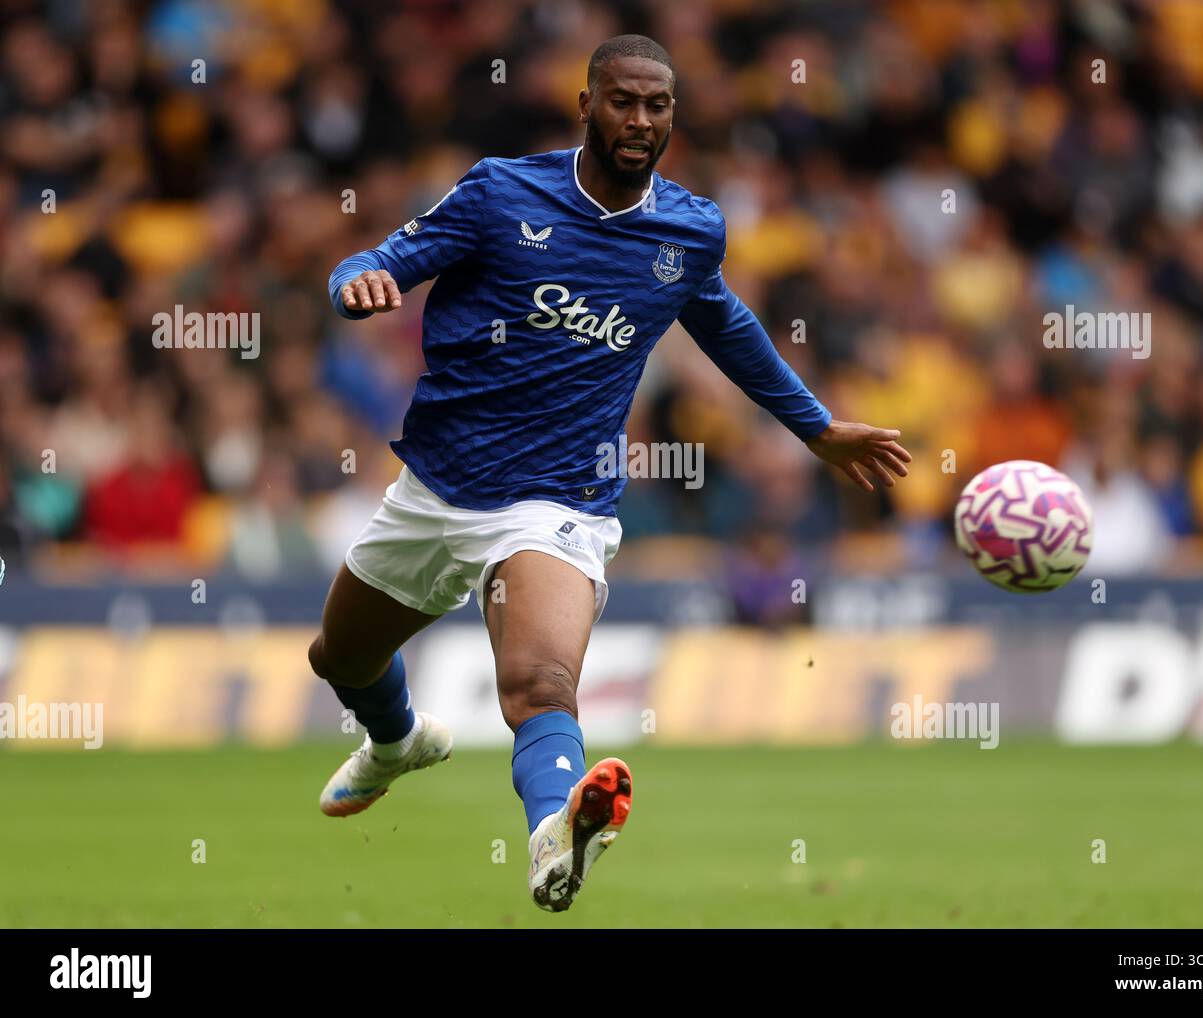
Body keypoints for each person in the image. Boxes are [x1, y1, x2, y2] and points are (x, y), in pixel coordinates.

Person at [310, 34, 910, 912]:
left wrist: (814, 427)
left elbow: (725, 325)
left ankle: (555, 836)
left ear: (673, 116)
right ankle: (399, 742)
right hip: (436, 486)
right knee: (340, 657)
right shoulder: (500, 192)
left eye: (657, 105)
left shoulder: (689, 230)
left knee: (539, 686)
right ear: (586, 105)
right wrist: (356, 281)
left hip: (559, 502)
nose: (639, 120)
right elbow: (376, 261)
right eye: (622, 101)